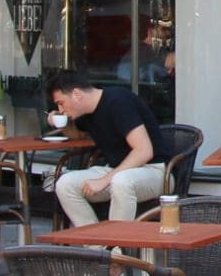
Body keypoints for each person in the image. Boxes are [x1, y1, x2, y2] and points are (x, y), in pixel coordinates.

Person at [44, 67, 166, 225]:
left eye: (61, 103)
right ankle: (97, 247)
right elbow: (78, 135)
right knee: (65, 184)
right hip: (115, 170)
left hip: (153, 170)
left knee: (121, 182)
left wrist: (105, 180)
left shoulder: (118, 101)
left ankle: (118, 247)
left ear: (77, 94)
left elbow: (144, 151)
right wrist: (60, 122)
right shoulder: (86, 112)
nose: (60, 109)